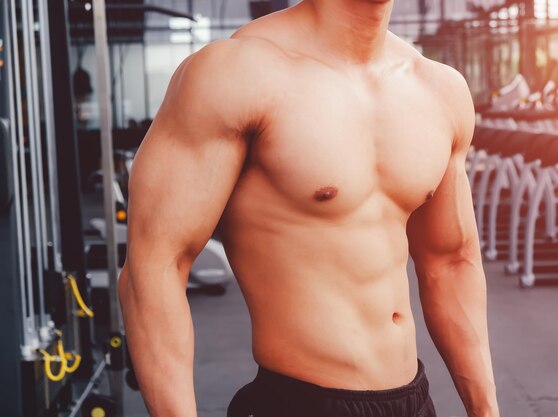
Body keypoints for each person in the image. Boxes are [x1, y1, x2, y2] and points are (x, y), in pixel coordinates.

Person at [117, 1, 500, 416]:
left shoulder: (440, 89)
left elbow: (450, 261)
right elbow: (154, 266)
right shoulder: (237, 74)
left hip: (413, 400)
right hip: (299, 402)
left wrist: (486, 411)